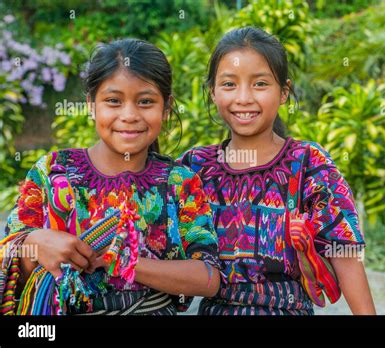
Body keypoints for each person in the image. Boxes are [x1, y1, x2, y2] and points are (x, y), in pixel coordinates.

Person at [0, 39, 220, 315]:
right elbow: (9, 261)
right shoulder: (53, 173)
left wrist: (121, 261)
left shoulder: (179, 182)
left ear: (166, 108)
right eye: (113, 101)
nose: (129, 115)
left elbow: (209, 278)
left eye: (146, 102)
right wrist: (36, 243)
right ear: (91, 105)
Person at [178, 27, 376, 315]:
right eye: (229, 84)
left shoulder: (308, 164)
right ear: (212, 92)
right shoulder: (194, 168)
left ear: (283, 92)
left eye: (260, 84)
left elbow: (344, 251)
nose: (243, 98)